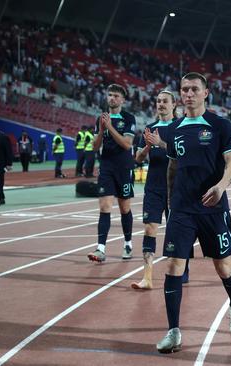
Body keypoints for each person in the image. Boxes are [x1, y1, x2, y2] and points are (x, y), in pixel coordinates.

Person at [156, 72, 231, 353]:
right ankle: (173, 332)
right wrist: (170, 203)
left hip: (213, 207)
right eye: (184, 89)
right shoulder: (174, 128)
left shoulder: (220, 125)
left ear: (206, 92)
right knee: (173, 265)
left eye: (195, 89)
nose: (189, 94)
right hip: (182, 208)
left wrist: (221, 186)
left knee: (223, 266)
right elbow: (172, 167)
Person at [131, 90, 185, 290]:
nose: (161, 104)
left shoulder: (180, 127)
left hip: (176, 187)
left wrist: (160, 144)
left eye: (165, 101)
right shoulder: (149, 128)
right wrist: (146, 147)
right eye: (158, 101)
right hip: (153, 187)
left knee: (176, 230)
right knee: (149, 228)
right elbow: (137, 159)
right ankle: (148, 277)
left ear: (174, 105)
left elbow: (182, 155)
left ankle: (181, 269)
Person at [87, 84, 137, 263]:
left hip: (124, 168)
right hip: (106, 167)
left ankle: (128, 243)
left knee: (124, 208)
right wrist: (101, 129)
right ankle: (100, 248)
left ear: (122, 100)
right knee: (105, 207)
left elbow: (126, 144)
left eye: (116, 96)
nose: (112, 98)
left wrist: (110, 127)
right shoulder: (100, 119)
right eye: (110, 95)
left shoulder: (129, 118)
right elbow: (94, 146)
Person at [0, 127, 13, 206]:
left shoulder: (3, 137)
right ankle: (1, 197)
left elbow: (8, 151)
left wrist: (9, 163)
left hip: (0, 164)